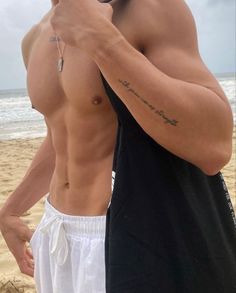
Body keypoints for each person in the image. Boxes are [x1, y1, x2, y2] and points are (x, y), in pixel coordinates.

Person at [0, 0, 235, 292]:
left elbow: (215, 144)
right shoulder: (34, 37)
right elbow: (62, 138)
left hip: (123, 237)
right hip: (54, 234)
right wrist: (12, 209)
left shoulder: (150, 9)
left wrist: (102, 40)